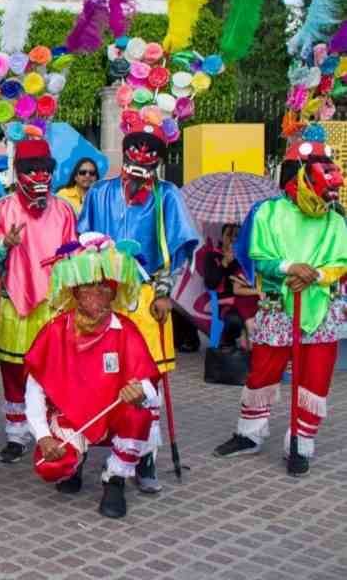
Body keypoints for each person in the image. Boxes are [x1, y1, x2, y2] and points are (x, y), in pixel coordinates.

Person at [214, 138, 347, 475]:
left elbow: (342, 261)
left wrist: (315, 275)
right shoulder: (269, 213)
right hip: (278, 305)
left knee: (314, 377)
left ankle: (301, 443)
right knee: (263, 370)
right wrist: (290, 268)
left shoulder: (336, 220)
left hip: (321, 308)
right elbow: (259, 256)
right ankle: (249, 434)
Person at [78, 127, 199, 492]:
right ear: (125, 159)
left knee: (148, 380)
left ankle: (144, 455)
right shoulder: (99, 193)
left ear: (158, 163)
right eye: (133, 160)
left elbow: (178, 250)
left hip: (147, 299)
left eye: (148, 162)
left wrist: (164, 293)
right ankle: (84, 451)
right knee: (95, 373)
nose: (139, 169)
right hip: (102, 299)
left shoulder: (168, 196)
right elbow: (82, 243)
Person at [26, 234, 159, 519]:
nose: (95, 294)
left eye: (103, 287)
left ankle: (115, 479)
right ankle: (75, 462)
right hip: (71, 415)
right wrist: (43, 436)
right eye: (87, 286)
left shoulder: (126, 330)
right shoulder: (55, 330)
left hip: (113, 414)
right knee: (50, 467)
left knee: (140, 415)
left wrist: (139, 391)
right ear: (74, 291)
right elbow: (34, 388)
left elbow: (149, 384)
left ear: (114, 291)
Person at [0, 137, 76, 463]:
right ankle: (16, 434)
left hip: (53, 304)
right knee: (12, 370)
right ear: (18, 173)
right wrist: (4, 245)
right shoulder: (2, 209)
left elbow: (73, 257)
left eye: (44, 170)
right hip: (14, 301)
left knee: (51, 372)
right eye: (31, 170)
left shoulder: (65, 210)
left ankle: (48, 431)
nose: (39, 177)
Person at [203, 223, 260, 350]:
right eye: (229, 235)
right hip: (226, 303)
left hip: (247, 298)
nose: (233, 239)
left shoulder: (244, 258)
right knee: (234, 321)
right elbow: (210, 283)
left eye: (237, 236)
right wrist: (224, 263)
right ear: (222, 237)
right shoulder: (212, 256)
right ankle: (228, 341)